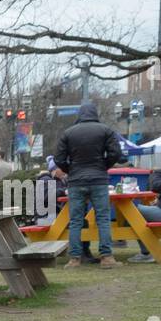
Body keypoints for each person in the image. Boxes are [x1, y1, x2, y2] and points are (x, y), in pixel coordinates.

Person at [52, 101, 122, 268]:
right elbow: (116, 153)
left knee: (75, 220)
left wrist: (71, 169)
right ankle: (106, 257)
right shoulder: (106, 130)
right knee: (103, 218)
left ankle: (75, 258)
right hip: (99, 179)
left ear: (80, 115)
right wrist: (104, 165)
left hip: (76, 181)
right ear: (95, 114)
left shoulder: (68, 133)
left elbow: (58, 158)